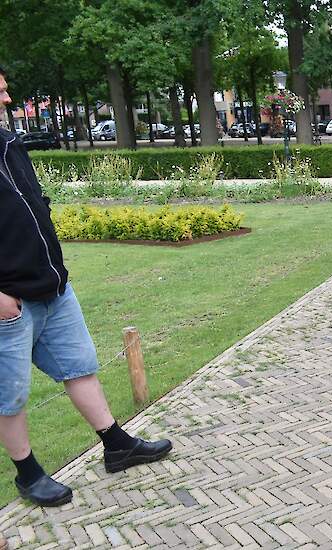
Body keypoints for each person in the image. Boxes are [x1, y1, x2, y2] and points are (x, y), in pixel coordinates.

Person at [0, 66, 172, 508]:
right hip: (9, 300)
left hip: (53, 288)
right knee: (10, 394)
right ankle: (28, 474)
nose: (7, 100)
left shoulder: (8, 144)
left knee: (80, 366)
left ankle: (116, 445)